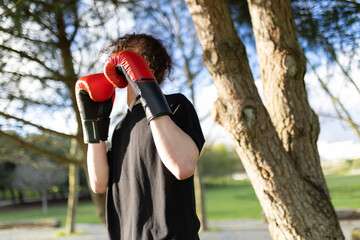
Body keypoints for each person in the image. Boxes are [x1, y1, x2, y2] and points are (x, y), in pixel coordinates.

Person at [75, 33, 205, 240]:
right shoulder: (119, 128)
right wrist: (93, 125)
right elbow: (99, 183)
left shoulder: (175, 105)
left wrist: (144, 88)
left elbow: (183, 166)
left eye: (130, 55)